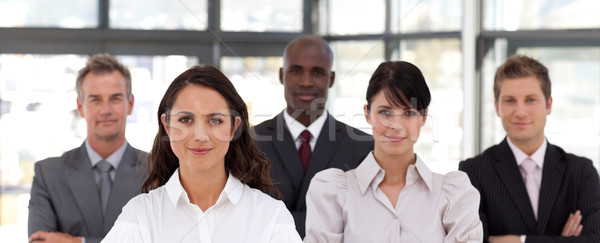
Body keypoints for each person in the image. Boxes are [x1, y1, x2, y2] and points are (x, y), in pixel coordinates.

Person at [102, 65, 302, 242]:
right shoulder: (140, 216)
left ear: (234, 128)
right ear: (167, 126)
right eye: (186, 120)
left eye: (215, 120)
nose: (200, 135)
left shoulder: (271, 217)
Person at [304, 61, 483, 242]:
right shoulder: (334, 193)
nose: (396, 125)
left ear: (424, 116)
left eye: (409, 113)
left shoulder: (453, 195)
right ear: (367, 114)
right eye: (385, 112)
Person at [459, 54, 600, 243]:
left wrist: (519, 240)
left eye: (531, 100)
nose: (520, 112)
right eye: (509, 100)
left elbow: (594, 239)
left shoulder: (581, 172)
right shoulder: (472, 172)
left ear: (548, 105)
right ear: (497, 107)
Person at [253, 35, 373, 238]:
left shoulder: (363, 148)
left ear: (331, 78)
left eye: (317, 72)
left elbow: (365, 223)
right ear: (282, 75)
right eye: (296, 71)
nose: (306, 82)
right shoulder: (250, 142)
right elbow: (243, 217)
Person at [28, 54, 148, 243]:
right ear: (80, 106)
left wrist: (77, 241)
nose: (105, 110)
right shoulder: (48, 174)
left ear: (130, 104)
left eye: (115, 98)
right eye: (95, 100)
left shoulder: (158, 171)